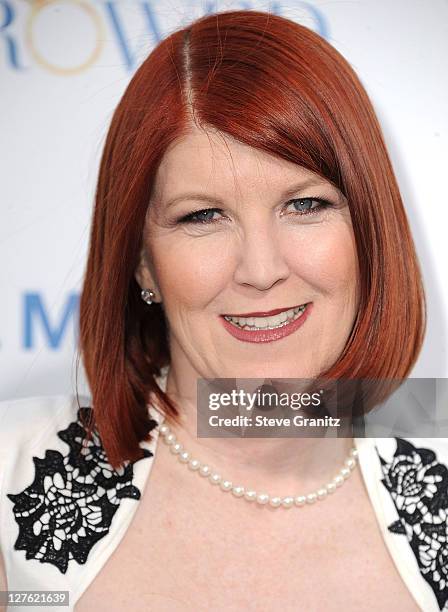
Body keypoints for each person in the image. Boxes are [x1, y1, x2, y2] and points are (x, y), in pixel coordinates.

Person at [0, 9, 444, 612]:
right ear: (142, 262)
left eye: (306, 204)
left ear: (369, 230)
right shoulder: (9, 478)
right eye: (202, 216)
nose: (260, 270)